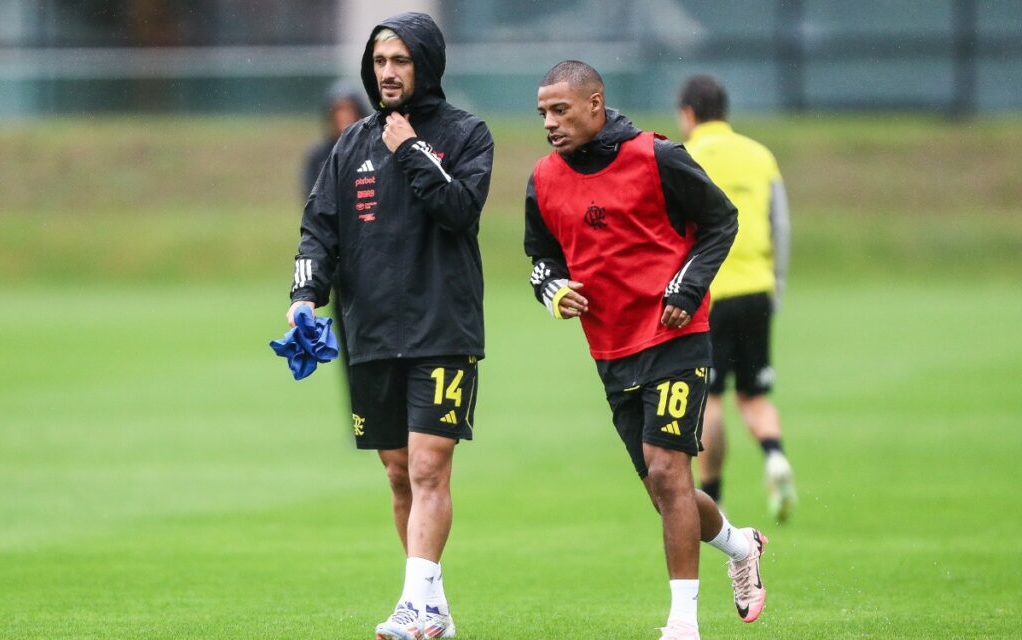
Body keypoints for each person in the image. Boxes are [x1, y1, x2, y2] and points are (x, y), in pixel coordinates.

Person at [525, 60, 769, 640]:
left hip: (676, 339)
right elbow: (540, 259)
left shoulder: (657, 157)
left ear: (595, 103)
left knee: (668, 470)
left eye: (561, 110)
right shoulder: (541, 178)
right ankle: (740, 544)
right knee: (665, 492)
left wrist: (687, 287)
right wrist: (553, 290)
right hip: (610, 350)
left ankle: (682, 624)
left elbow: (721, 222)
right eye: (542, 114)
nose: (551, 123)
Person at [285, 12, 494, 640]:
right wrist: (304, 297)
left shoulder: (466, 134)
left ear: (425, 63)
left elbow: (460, 210)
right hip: (370, 334)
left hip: (443, 328)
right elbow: (319, 228)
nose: (387, 73)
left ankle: (414, 607)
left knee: (430, 468)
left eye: (400, 60)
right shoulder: (350, 146)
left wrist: (410, 150)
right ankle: (433, 607)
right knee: (400, 474)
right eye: (379, 62)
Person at [677, 75, 796, 522]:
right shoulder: (759, 154)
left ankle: (714, 495)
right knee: (754, 392)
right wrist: (776, 285)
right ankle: (775, 457)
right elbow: (779, 224)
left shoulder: (685, 157)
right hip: (758, 288)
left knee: (711, 397)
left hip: (709, 294)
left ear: (688, 113)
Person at [301, 80, 370, 198]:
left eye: (349, 109)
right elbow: (311, 199)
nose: (344, 116)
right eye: (339, 110)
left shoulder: (372, 151)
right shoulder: (318, 156)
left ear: (359, 113)